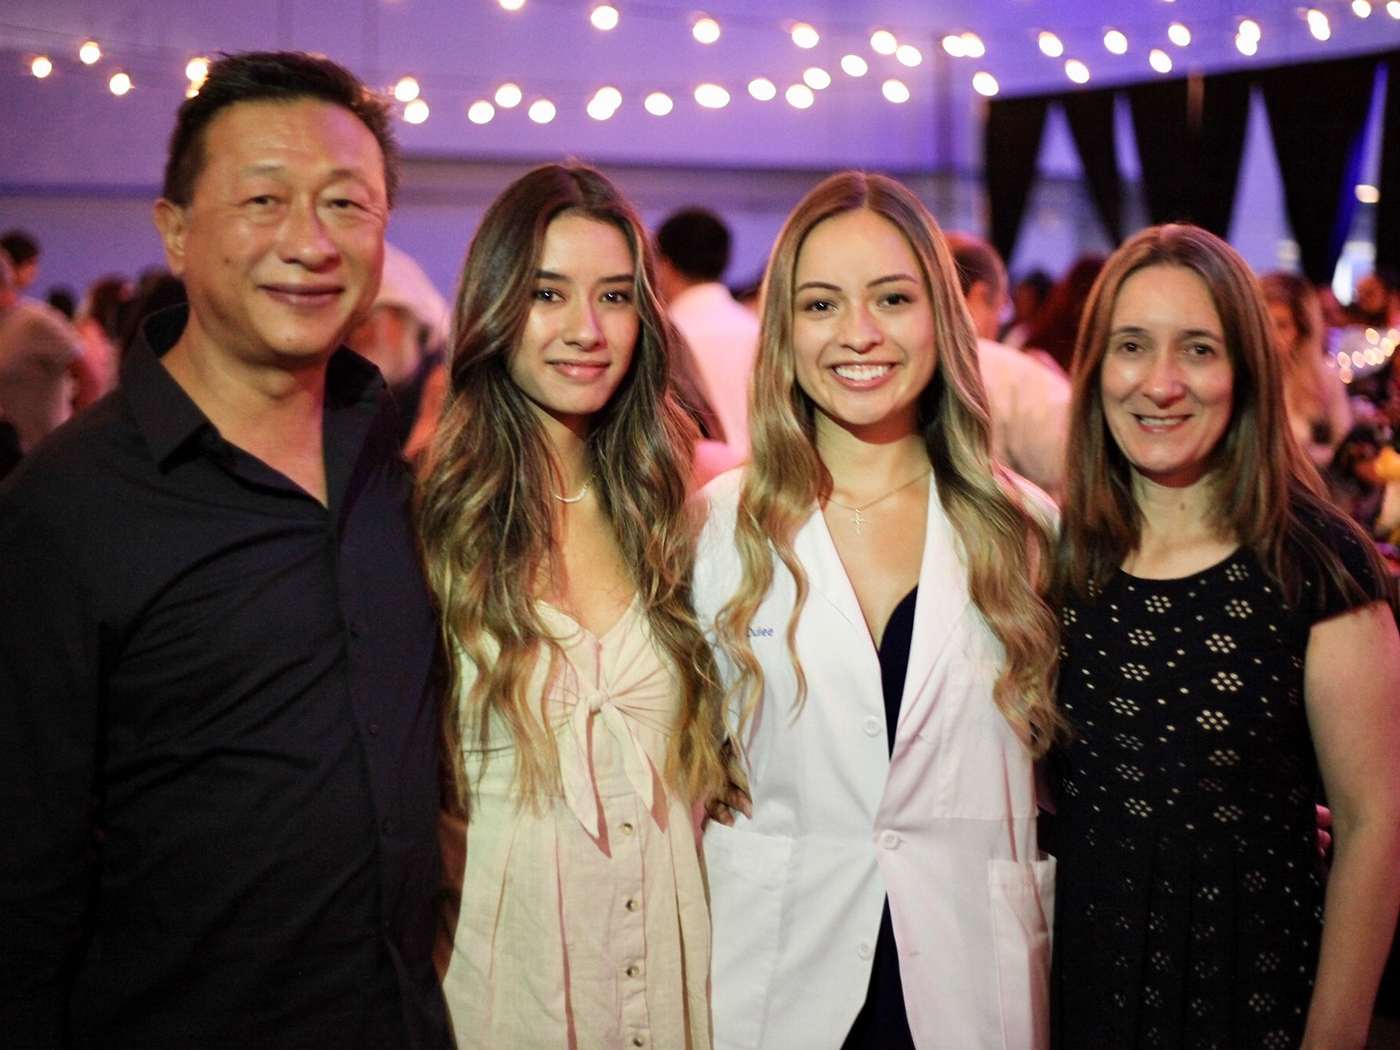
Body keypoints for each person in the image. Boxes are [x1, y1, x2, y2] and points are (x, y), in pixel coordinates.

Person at [0, 51, 451, 1048]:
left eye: (346, 206)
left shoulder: (393, 463)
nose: (309, 242)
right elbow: (22, 881)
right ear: (174, 228)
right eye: (263, 200)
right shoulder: (68, 507)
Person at [694, 171, 1063, 1049]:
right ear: (783, 328)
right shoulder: (714, 527)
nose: (858, 334)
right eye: (821, 304)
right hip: (782, 981)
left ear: (941, 313)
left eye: (892, 298)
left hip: (972, 983)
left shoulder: (1030, 531)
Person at [1050, 224, 1400, 1048]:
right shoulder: (1060, 557)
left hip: (1251, 992)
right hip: (1082, 986)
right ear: (1096, 366)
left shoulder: (1314, 562)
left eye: (1199, 350)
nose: (1161, 383)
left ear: (1245, 371)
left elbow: (1373, 826)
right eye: (1132, 346)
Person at [421, 163, 726, 1049]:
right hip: (504, 993)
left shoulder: (685, 512)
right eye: (548, 293)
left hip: (678, 989)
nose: (585, 331)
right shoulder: (433, 525)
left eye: (617, 296)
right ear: (494, 304)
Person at [947, 231, 1071, 500]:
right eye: (1003, 307)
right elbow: (1078, 465)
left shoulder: (903, 369)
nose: (1002, 321)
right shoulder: (1010, 370)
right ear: (980, 295)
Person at [654, 207, 760, 478]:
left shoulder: (662, 340)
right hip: (768, 485)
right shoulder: (758, 331)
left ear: (664, 265)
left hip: (700, 490)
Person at [0, 247, 92, 454]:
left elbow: (89, 374)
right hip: (12, 457)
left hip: (43, 454)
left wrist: (79, 436)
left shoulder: (36, 321)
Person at [1259, 271, 1352, 470]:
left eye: (1282, 325)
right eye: (1263, 323)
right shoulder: (1242, 378)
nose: (1270, 336)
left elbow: (1343, 444)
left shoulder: (1325, 378)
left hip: (1308, 489)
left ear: (1301, 331)